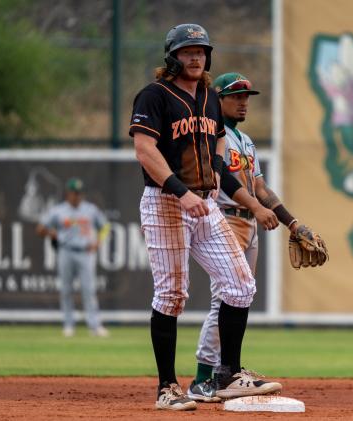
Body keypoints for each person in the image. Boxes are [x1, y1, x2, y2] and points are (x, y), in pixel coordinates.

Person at [129, 23, 282, 411]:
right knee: (172, 295)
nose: (195, 57)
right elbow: (146, 150)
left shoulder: (210, 98)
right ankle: (168, 388)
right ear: (172, 57)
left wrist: (229, 183)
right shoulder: (155, 95)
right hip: (166, 203)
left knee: (240, 284)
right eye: (187, 51)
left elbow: (215, 150)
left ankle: (226, 375)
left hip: (204, 203)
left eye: (201, 51)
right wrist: (181, 193)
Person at [186, 72, 328, 402]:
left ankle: (225, 372)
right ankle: (203, 379)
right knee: (223, 298)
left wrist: (292, 223)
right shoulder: (212, 136)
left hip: (251, 225)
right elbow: (226, 179)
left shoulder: (246, 141)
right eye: (236, 96)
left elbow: (260, 187)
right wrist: (256, 208)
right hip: (226, 219)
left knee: (240, 296)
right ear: (217, 99)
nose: (244, 102)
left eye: (247, 96)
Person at [36, 177, 110, 338]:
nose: (77, 196)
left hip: (85, 252)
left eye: (79, 193)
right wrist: (51, 232)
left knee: (88, 290)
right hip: (66, 251)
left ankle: (94, 325)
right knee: (66, 290)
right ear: (67, 194)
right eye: (74, 193)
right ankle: (68, 324)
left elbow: (105, 226)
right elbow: (40, 228)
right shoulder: (58, 211)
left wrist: (97, 242)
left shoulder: (90, 209)